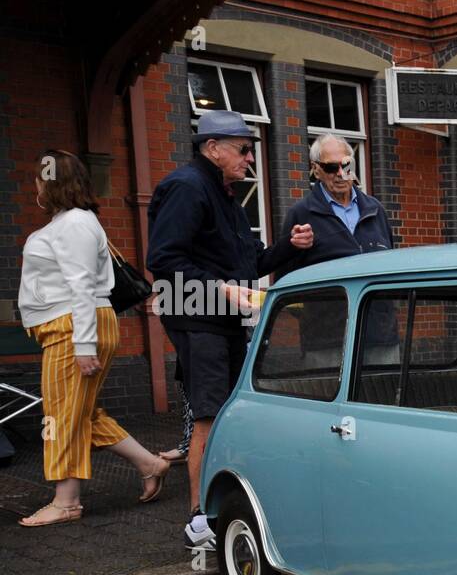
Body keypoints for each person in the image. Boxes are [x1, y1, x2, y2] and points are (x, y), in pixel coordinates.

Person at [147, 110, 313, 549]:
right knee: (209, 417)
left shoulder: (226, 195)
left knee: (229, 414)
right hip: (198, 318)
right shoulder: (186, 187)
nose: (250, 158)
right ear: (213, 148)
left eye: (251, 149)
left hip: (223, 320)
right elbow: (163, 261)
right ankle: (198, 521)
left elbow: (252, 263)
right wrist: (220, 290)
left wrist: (289, 250)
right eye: (243, 149)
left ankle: (225, 505)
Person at [17, 149, 170, 526]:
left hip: (73, 330)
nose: (35, 184)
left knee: (60, 416)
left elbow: (82, 286)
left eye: (39, 178)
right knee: (80, 414)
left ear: (51, 184)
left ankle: (66, 501)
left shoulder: (74, 223)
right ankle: (149, 464)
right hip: (67, 329)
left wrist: (83, 346)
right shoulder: (68, 222)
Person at [278, 134, 397, 367]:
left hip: (379, 337)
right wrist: (319, 314)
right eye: (332, 168)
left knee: (383, 399)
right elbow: (286, 281)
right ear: (316, 170)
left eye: (346, 165)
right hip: (326, 342)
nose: (341, 174)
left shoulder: (375, 209)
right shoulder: (301, 215)